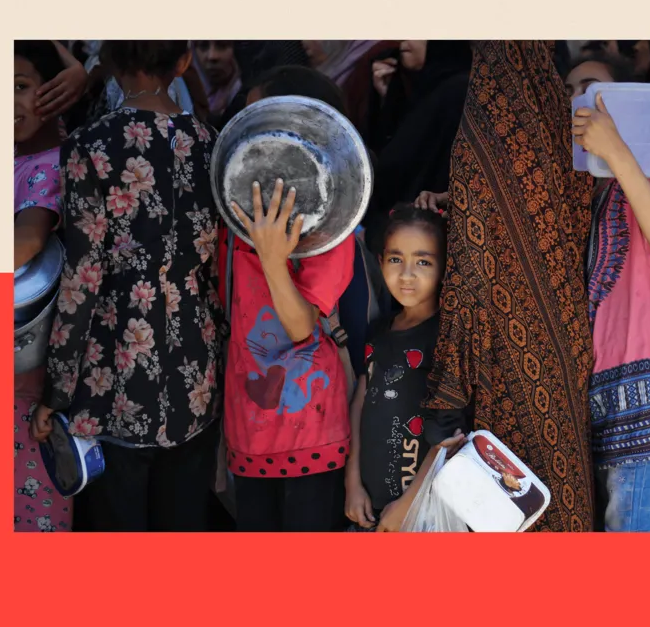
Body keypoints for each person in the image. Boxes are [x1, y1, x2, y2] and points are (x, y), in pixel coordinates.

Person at [37, 41, 225, 532]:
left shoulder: (89, 145)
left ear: (111, 64)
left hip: (113, 375)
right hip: (195, 371)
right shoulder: (212, 144)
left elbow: (83, 278)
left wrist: (57, 390)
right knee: (183, 525)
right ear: (183, 63)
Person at [421, 41, 595, 532]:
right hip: (565, 335)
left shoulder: (485, 123)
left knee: (507, 498)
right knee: (561, 484)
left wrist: (453, 376)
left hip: (505, 342)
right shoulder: (558, 114)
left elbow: (472, 264)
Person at [219, 68, 357, 533]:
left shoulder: (330, 229)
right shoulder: (234, 219)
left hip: (310, 433)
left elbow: (301, 327)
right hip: (247, 427)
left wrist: (273, 260)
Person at [573, 73, 650, 533]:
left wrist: (617, 150)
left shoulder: (647, 170)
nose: (589, 110)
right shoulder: (577, 183)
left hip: (641, 391)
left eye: (601, 96)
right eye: (577, 96)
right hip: (591, 391)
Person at [343, 205, 467, 531]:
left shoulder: (445, 339)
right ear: (381, 260)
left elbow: (449, 437)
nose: (407, 274)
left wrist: (407, 506)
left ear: (445, 268)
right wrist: (352, 482)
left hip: (422, 515)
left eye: (423, 262)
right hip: (370, 508)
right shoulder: (378, 332)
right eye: (396, 259)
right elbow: (360, 402)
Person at [14, 41, 73, 533]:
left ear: (55, 92)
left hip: (25, 377)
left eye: (20, 86)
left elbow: (29, 239)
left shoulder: (50, 163)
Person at [361, 41, 472, 257]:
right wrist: (388, 101)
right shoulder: (424, 90)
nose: (405, 39)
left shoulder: (458, 94)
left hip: (419, 245)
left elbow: (400, 170)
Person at [193, 40, 241, 121]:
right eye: (203, 46)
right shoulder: (184, 101)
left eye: (222, 45)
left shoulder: (251, 101)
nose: (212, 56)